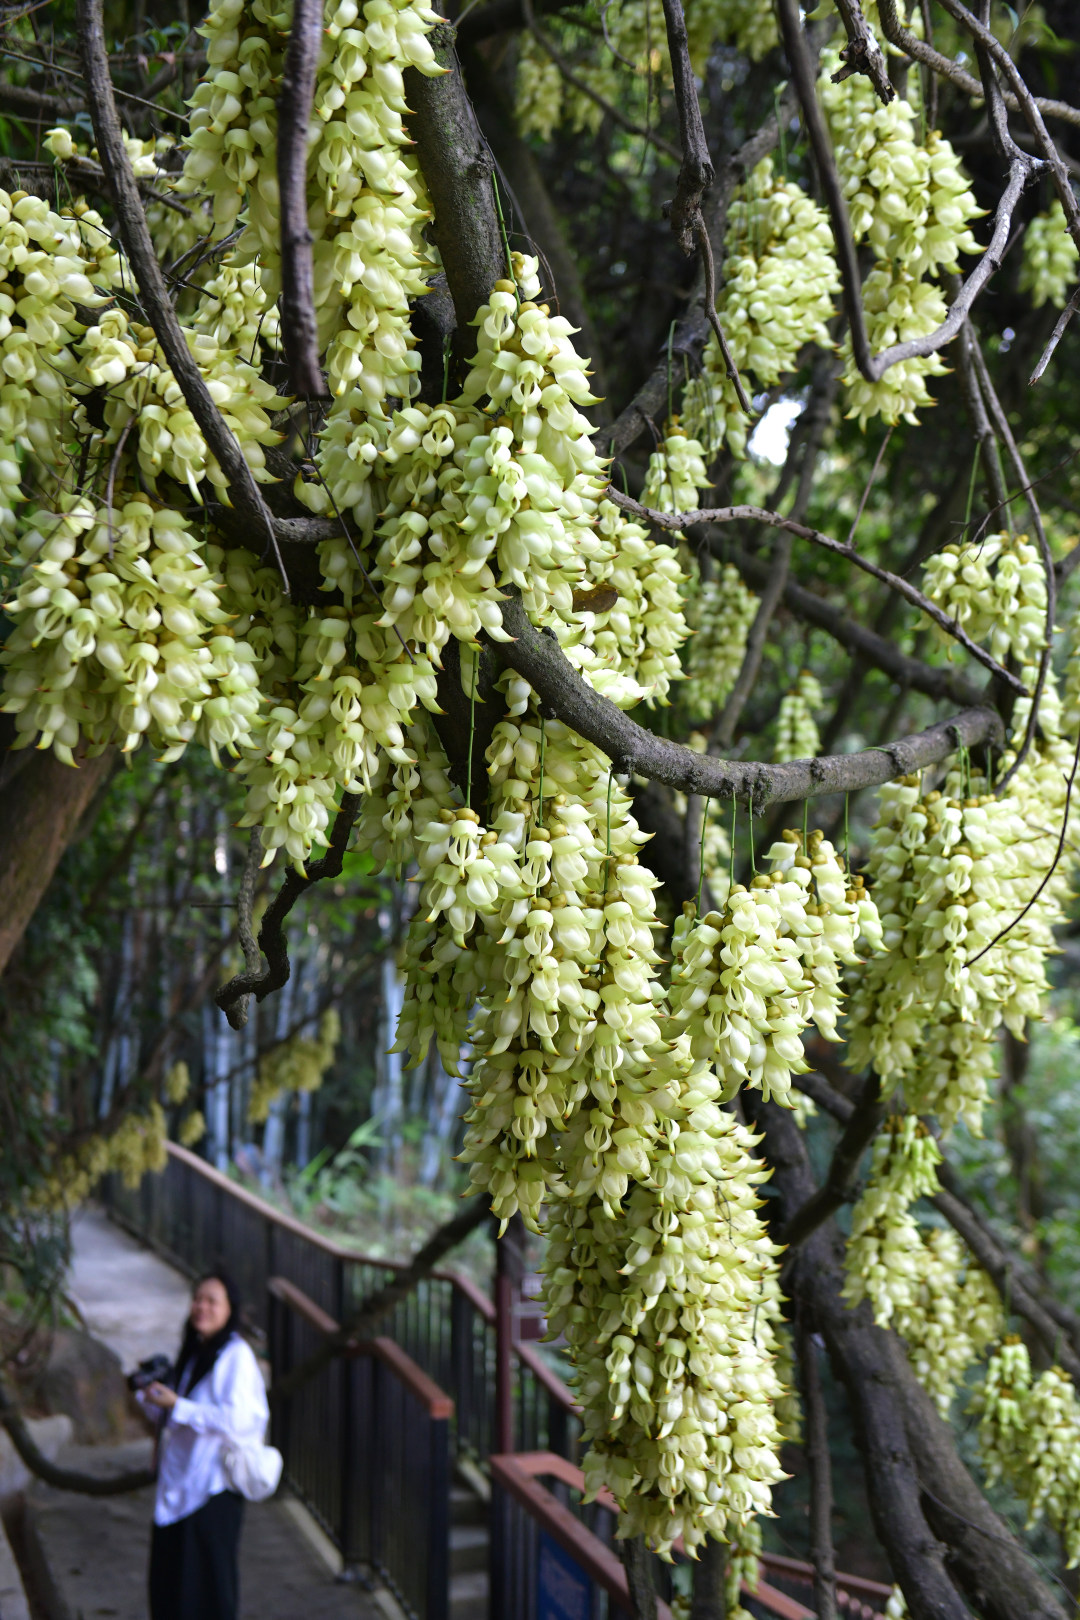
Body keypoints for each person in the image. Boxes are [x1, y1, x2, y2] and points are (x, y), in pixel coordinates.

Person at [140, 1271, 269, 1620]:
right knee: (172, 1587)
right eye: (198, 1298)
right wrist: (150, 1398)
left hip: (212, 1491)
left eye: (212, 1300)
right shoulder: (195, 1352)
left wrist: (177, 1406)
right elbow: (179, 1414)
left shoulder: (236, 1356)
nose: (201, 1307)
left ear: (231, 1310)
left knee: (207, 1591)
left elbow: (240, 1420)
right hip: (181, 1485)